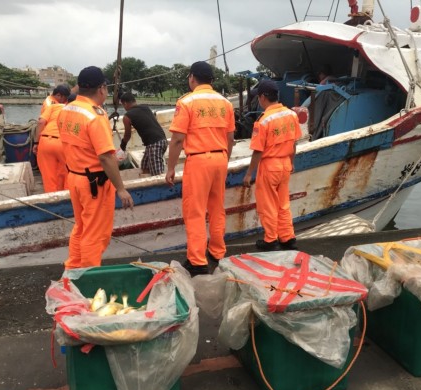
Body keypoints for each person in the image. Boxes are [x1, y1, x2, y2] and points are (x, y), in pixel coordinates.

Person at [58, 66, 134, 269]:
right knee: (96, 234)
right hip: (94, 184)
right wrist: (121, 188)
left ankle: (73, 270)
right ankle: (89, 279)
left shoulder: (66, 110)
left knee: (81, 228)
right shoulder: (95, 116)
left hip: (74, 177)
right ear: (102, 88)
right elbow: (106, 157)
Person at [166, 61, 235, 276]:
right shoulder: (225, 103)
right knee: (216, 208)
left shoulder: (187, 102)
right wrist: (224, 158)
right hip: (221, 157)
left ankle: (197, 260)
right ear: (212, 81)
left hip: (198, 160)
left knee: (195, 212)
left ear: (192, 78)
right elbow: (230, 137)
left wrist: (170, 168)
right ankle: (217, 252)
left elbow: (177, 139)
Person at [243, 79, 302, 251]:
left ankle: (270, 240)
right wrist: (291, 162)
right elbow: (293, 143)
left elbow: (258, 151)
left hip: (270, 166)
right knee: (283, 204)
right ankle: (288, 237)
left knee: (267, 205)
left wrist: (248, 174)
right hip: (285, 164)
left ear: (262, 97)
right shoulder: (291, 115)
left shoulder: (263, 121)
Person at [119, 92, 168, 176]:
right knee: (145, 167)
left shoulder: (127, 116)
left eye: (123, 105)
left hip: (154, 144)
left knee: (157, 174)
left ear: (125, 103)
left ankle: (163, 187)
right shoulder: (146, 108)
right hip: (162, 140)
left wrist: (122, 146)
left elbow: (127, 135)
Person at [33, 87, 69, 192]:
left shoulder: (51, 106)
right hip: (62, 143)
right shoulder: (71, 108)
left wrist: (36, 142)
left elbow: (40, 122)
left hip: (45, 141)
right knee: (68, 171)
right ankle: (67, 196)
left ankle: (52, 198)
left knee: (48, 175)